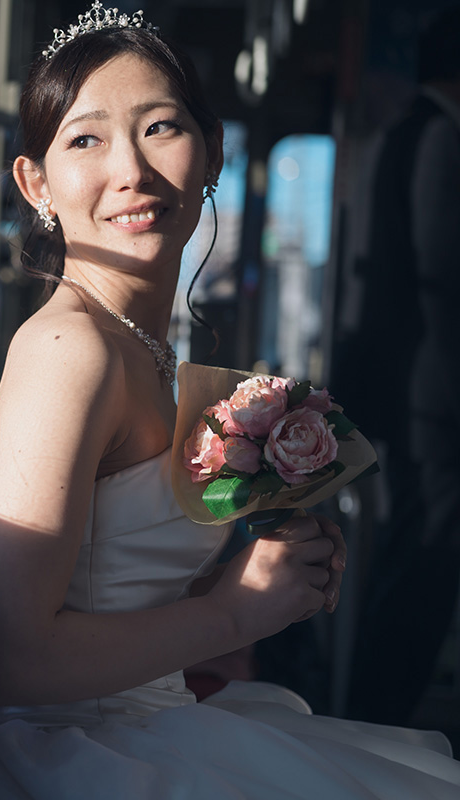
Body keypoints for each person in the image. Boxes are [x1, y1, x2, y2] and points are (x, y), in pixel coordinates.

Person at [0, 4, 460, 797]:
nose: (132, 172)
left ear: (211, 153)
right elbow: (1, 659)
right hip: (73, 755)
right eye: (86, 138)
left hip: (154, 722)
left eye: (159, 128)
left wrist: (277, 556)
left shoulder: (147, 350)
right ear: (35, 182)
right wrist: (231, 614)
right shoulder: (68, 351)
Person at [342, 8, 460, 728]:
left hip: (406, 385)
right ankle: (377, 719)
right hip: (432, 391)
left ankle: (374, 713)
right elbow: (439, 277)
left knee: (417, 552)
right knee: (428, 555)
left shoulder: (398, 135)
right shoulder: (440, 138)